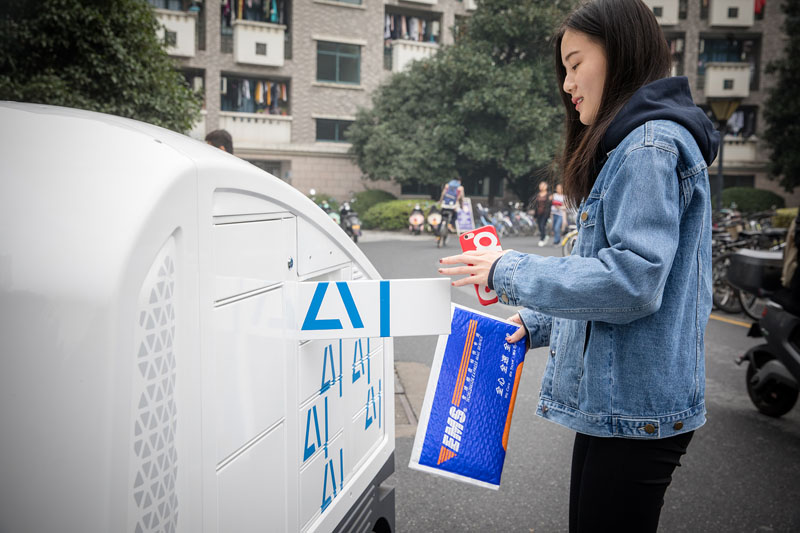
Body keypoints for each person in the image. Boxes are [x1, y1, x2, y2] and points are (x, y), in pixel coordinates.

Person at [438, 1, 719, 531]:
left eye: (575, 63)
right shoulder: (636, 144)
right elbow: (608, 279)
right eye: (563, 70)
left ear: (620, 54)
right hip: (622, 402)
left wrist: (507, 270)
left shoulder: (646, 147)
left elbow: (633, 281)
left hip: (632, 407)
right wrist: (535, 322)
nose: (566, 84)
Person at [528, 181, 552, 246]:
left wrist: (549, 214)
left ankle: (542, 239)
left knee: (542, 225)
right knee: (539, 226)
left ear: (546, 186)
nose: (541, 186)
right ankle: (544, 236)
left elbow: (549, 205)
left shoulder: (549, 194)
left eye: (543, 185)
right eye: (540, 185)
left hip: (545, 213)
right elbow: (534, 204)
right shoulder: (537, 194)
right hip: (538, 213)